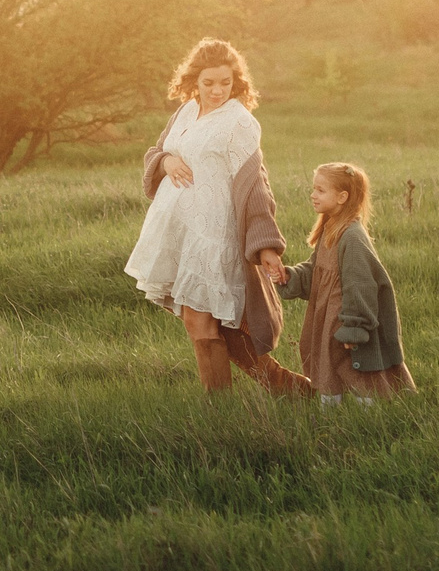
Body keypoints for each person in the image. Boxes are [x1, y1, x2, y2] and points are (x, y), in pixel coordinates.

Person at [124, 38, 310, 396]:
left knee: (201, 322)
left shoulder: (239, 122)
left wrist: (267, 245)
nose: (217, 90)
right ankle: (293, 391)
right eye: (208, 82)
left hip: (212, 238)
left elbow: (255, 185)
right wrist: (166, 161)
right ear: (194, 79)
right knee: (206, 324)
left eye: (225, 82)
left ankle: (226, 405)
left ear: (236, 81)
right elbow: (157, 151)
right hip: (179, 233)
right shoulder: (185, 111)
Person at [274, 161, 416, 403]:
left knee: (357, 368)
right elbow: (316, 270)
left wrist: (355, 327)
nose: (313, 195)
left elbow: (360, 286)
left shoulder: (352, 237)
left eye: (320, 190)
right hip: (327, 316)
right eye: (314, 189)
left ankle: (370, 410)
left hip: (344, 317)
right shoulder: (330, 228)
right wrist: (290, 276)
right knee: (328, 364)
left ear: (342, 197)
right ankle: (331, 412)